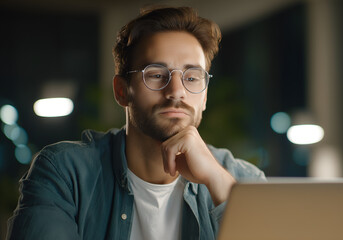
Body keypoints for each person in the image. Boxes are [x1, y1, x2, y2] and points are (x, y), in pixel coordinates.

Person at [7, 6, 265, 240]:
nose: (176, 91)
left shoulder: (242, 180)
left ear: (205, 96)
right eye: (155, 75)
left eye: (193, 77)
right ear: (122, 91)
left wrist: (218, 181)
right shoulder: (65, 173)